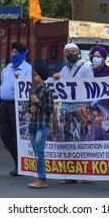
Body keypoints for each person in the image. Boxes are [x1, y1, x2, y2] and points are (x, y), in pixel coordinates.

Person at [0, 42, 31, 177]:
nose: (13, 55)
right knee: (5, 135)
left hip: (18, 106)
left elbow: (30, 87)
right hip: (4, 105)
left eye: (16, 53)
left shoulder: (27, 69)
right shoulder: (7, 68)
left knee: (18, 136)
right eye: (12, 52)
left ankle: (21, 165)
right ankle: (17, 162)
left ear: (23, 54)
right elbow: (2, 87)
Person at [52, 42, 94, 184]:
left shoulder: (85, 69)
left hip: (81, 109)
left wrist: (85, 106)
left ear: (78, 53)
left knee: (83, 141)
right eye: (68, 51)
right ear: (64, 54)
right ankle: (71, 173)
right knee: (69, 141)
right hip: (67, 109)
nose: (71, 54)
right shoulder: (63, 70)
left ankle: (87, 173)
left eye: (74, 51)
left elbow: (91, 88)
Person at [28, 64, 54, 188]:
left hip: (42, 125)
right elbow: (29, 108)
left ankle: (42, 179)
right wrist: (30, 109)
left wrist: (38, 102)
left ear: (41, 77)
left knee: (39, 152)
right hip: (33, 125)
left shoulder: (47, 91)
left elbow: (50, 108)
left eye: (36, 75)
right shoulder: (32, 91)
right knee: (36, 152)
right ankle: (40, 177)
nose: (33, 77)